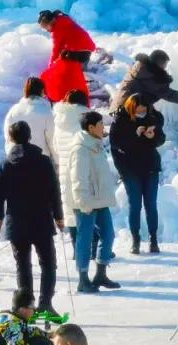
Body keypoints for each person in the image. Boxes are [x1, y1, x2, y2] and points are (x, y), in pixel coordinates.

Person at [0, 121, 64, 317]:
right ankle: (46, 304)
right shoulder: (43, 161)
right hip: (41, 219)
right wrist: (59, 216)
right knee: (48, 263)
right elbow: (54, 191)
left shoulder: (5, 164)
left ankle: (26, 308)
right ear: (30, 136)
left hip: (17, 222)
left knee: (23, 265)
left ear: (11, 137)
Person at [69, 111, 120, 293]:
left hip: (100, 199)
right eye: (100, 125)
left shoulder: (95, 144)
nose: (103, 128)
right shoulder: (81, 148)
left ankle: (101, 273)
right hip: (86, 201)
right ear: (91, 128)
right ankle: (83, 279)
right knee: (85, 238)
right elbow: (78, 177)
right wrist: (83, 201)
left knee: (108, 235)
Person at [109, 93, 165, 254]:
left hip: (150, 167)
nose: (142, 112)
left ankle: (153, 239)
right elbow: (116, 146)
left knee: (151, 205)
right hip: (130, 170)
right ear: (130, 108)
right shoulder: (120, 121)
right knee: (134, 205)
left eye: (144, 109)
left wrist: (152, 136)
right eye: (138, 110)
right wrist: (135, 135)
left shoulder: (153, 117)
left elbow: (161, 139)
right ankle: (136, 240)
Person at [53, 90, 90, 249]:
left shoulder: (59, 120)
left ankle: (76, 247)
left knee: (69, 208)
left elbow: (55, 146)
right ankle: (89, 247)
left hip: (64, 167)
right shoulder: (86, 119)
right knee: (87, 207)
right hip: (83, 167)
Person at [110, 50, 178, 112]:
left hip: (117, 106)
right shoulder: (151, 78)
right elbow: (169, 94)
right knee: (157, 122)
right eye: (164, 65)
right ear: (158, 64)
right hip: (125, 112)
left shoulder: (139, 68)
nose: (165, 68)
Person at [38, 10, 93, 103]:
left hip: (80, 52)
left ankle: (79, 88)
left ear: (50, 22)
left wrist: (51, 67)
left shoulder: (58, 29)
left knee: (68, 70)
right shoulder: (63, 20)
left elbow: (56, 50)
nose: (46, 30)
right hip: (86, 49)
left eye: (45, 27)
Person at [5, 77, 58, 163]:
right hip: (40, 159)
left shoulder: (13, 110)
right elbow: (52, 140)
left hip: (17, 159)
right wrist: (57, 160)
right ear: (42, 91)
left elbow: (8, 137)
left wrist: (10, 155)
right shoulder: (47, 112)